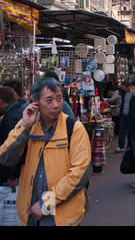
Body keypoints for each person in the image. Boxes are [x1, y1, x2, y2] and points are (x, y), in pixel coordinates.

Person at [0, 77, 91, 226]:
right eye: (49, 100)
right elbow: (5, 157)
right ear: (35, 102)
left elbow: (80, 173)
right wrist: (24, 127)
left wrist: (46, 203)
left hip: (62, 215)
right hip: (31, 214)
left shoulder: (74, 128)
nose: (56, 105)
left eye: (59, 98)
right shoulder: (27, 126)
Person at [0, 86, 27, 188]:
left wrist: (12, 176)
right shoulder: (17, 111)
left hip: (11, 174)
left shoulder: (10, 117)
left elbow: (15, 147)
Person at [117, 81, 132, 152]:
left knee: (130, 132)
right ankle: (121, 146)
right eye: (123, 88)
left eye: (125, 88)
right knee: (121, 131)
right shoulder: (123, 93)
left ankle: (130, 146)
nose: (124, 89)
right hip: (123, 114)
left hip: (130, 115)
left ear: (128, 86)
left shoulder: (133, 93)